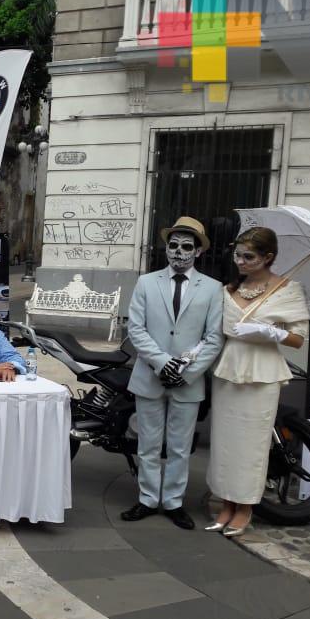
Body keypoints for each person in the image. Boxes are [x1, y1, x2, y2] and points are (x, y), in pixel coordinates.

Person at [123, 216, 224, 530]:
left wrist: (188, 373)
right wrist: (162, 362)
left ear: (198, 251)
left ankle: (174, 502)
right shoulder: (146, 282)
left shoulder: (213, 289)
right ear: (165, 247)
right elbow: (136, 329)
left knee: (180, 447)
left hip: (188, 382)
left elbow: (214, 338)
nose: (178, 252)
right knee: (148, 444)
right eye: (173, 245)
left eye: (186, 247)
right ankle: (147, 499)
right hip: (149, 376)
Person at [206, 227, 309, 536]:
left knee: (252, 444)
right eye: (237, 255)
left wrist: (270, 332)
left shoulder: (288, 289)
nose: (240, 261)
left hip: (263, 372)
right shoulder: (227, 289)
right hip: (228, 369)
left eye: (248, 257)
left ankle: (245, 506)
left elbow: (298, 339)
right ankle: (226, 502)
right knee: (224, 442)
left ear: (268, 257)